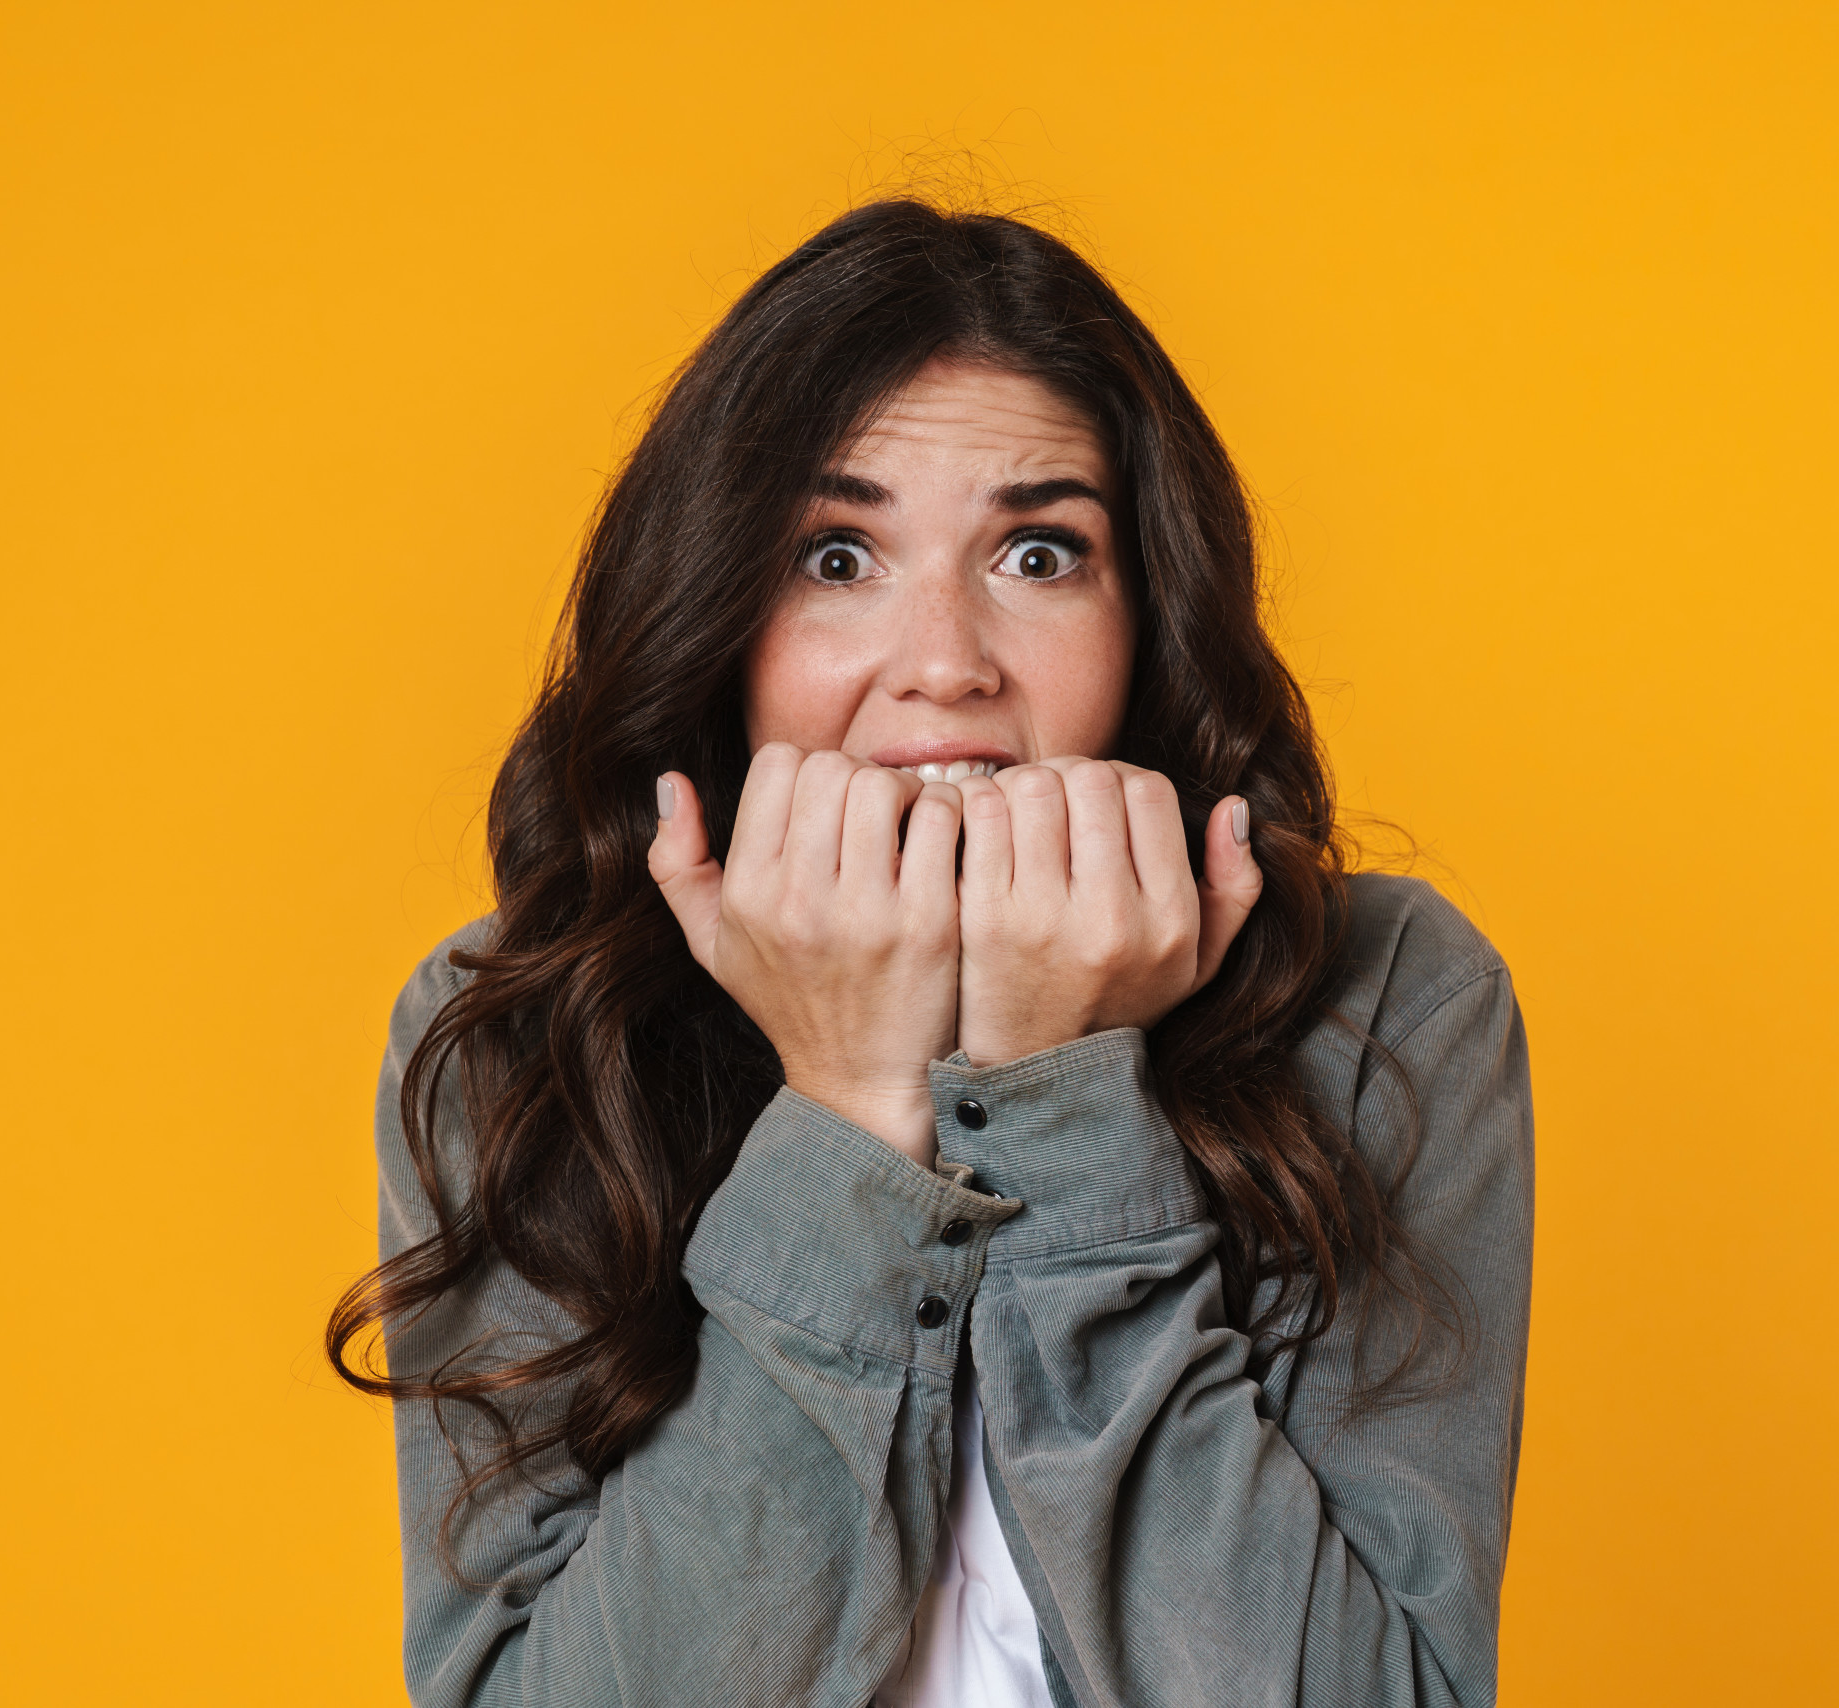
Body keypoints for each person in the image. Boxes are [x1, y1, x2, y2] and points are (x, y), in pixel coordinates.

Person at [329, 198, 1534, 1708]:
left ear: (1149, 616)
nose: (949, 659)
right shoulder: (522, 1020)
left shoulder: (1376, 1003)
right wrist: (847, 1111)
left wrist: (1062, 1091)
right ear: (720, 615)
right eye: (838, 557)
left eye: (1038, 553)